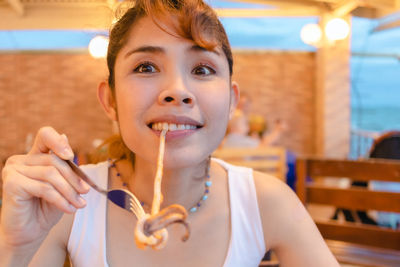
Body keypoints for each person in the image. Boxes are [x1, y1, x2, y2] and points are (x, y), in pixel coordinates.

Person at [0, 0, 339, 266]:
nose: (177, 91)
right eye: (146, 67)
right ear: (111, 100)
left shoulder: (266, 203)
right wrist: (14, 247)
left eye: (202, 69)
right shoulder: (68, 200)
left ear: (231, 101)